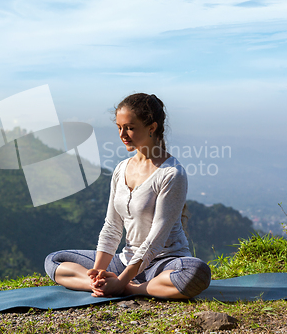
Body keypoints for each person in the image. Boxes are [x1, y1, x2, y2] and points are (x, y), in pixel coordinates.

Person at [44, 93, 211, 299]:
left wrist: (122, 282)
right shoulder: (121, 169)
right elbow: (112, 226)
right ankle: (99, 285)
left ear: (152, 127)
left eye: (130, 128)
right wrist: (98, 273)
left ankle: (131, 288)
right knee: (54, 260)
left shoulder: (172, 174)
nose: (123, 134)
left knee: (196, 272)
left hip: (162, 263)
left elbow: (155, 241)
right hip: (125, 260)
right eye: (119, 127)